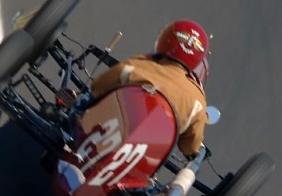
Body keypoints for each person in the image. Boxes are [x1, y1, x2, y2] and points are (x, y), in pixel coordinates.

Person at [90, 19, 210, 159]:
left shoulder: (137, 66)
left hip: (101, 138)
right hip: (140, 163)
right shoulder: (198, 101)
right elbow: (189, 147)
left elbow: (97, 87)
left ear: (165, 39)